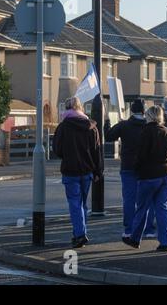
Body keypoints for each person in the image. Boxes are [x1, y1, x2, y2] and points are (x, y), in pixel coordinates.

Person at [124, 106, 167, 251]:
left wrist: (137, 169)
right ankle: (165, 242)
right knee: (163, 208)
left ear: (150, 116)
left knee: (142, 208)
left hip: (149, 175)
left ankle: (135, 238)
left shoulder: (146, 132)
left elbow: (141, 155)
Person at [53, 97, 102, 249]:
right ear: (80, 108)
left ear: (66, 109)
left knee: (75, 203)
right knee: (82, 204)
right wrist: (98, 171)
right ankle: (79, 234)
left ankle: (80, 234)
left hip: (70, 170)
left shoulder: (63, 127)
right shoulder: (91, 127)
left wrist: (68, 155)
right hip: (87, 170)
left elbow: (57, 150)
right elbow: (97, 151)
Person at [104, 99, 156, 240]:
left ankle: (129, 229)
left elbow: (108, 136)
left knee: (129, 200)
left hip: (128, 166)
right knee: (148, 200)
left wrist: (107, 122)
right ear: (144, 111)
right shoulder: (150, 126)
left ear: (132, 110)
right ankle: (149, 229)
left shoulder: (124, 125)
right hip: (147, 168)